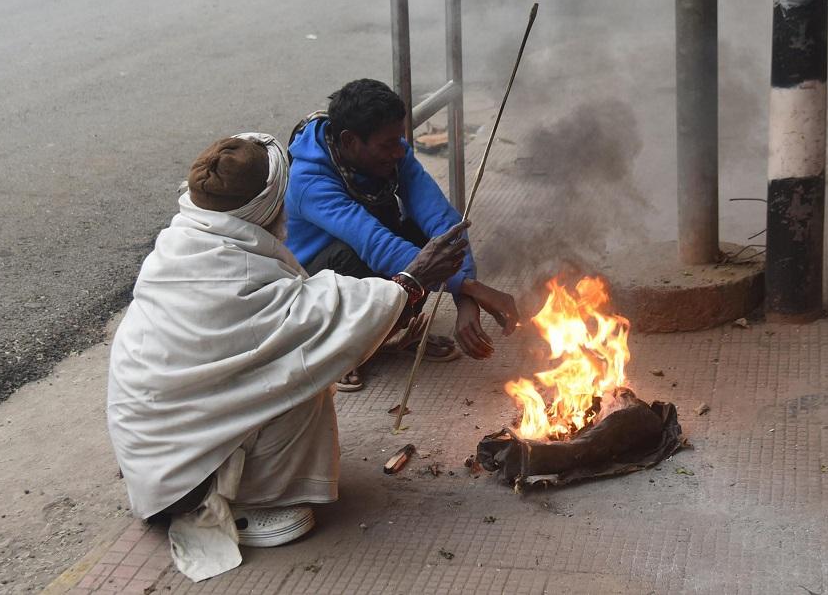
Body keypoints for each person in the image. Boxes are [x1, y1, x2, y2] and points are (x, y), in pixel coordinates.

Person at [107, 132, 469, 582]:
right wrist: (414, 279)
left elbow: (304, 309)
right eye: (283, 199)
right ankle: (242, 503)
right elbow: (322, 319)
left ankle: (236, 481)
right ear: (264, 210)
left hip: (155, 460)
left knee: (297, 361)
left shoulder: (190, 237)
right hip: (181, 486)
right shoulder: (230, 270)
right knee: (303, 374)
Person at [286, 78, 519, 390]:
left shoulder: (394, 151)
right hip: (318, 279)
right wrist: (468, 287)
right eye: (387, 145)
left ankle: (391, 332)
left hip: (370, 254)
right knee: (351, 258)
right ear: (350, 140)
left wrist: (466, 295)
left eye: (400, 140)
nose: (399, 151)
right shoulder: (309, 181)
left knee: (426, 239)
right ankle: (339, 351)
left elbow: (442, 220)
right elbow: (375, 244)